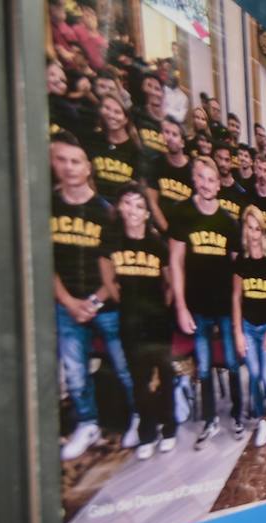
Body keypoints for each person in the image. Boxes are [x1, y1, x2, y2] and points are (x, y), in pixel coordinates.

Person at [52, 132, 137, 460]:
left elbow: (116, 265)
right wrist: (69, 302)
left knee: (123, 366)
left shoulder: (106, 212)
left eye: (76, 161)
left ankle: (137, 416)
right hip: (67, 302)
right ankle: (87, 423)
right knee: (74, 371)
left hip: (106, 303)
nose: (70, 168)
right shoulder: (49, 206)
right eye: (63, 160)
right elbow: (48, 263)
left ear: (88, 167)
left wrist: (95, 301)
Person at [170, 155, 242, 447]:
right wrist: (180, 305)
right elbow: (175, 262)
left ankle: (237, 414)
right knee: (203, 367)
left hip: (224, 306)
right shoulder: (182, 213)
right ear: (194, 180)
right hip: (196, 307)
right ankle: (210, 419)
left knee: (234, 363)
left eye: (212, 179)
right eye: (201, 178)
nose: (207, 184)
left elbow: (237, 270)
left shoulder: (228, 221)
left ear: (218, 184)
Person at [106, 184, 176, 458]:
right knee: (139, 379)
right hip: (129, 320)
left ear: (147, 212)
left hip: (157, 321)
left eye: (139, 205)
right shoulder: (114, 243)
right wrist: (127, 305)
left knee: (165, 374)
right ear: (120, 207)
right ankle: (147, 432)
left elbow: (170, 284)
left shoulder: (157, 245)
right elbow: (109, 281)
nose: (133, 210)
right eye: (128, 203)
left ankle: (168, 426)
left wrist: (161, 309)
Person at [232, 207, 266, 449]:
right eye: (249, 228)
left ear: (262, 231)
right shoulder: (241, 262)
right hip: (248, 329)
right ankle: (262, 419)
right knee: (255, 377)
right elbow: (236, 299)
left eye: (257, 228)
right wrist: (238, 333)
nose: (253, 233)